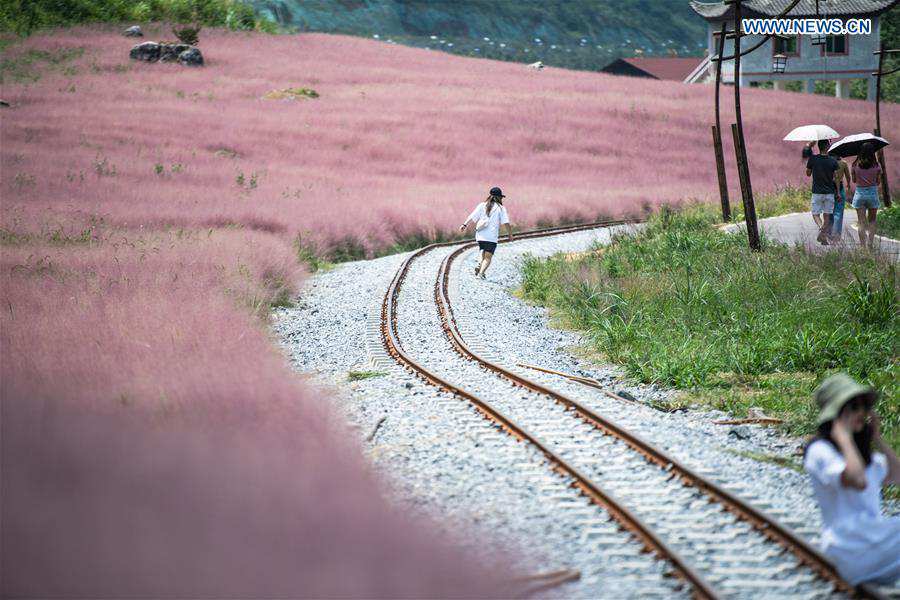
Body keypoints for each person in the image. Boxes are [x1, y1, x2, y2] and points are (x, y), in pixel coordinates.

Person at [804, 374, 900, 586]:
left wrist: (877, 439)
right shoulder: (820, 452)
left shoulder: (866, 458)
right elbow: (858, 480)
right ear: (836, 414)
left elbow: (898, 475)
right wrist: (844, 437)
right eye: (852, 407)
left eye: (864, 407)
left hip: (872, 543)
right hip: (849, 547)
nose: (861, 413)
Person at [459, 187, 513, 280]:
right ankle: (481, 273)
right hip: (491, 236)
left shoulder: (482, 205)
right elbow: (506, 222)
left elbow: (472, 216)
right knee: (488, 257)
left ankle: (479, 263)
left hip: (480, 235)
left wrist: (464, 224)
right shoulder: (501, 208)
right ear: (499, 197)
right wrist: (510, 234)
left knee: (482, 250)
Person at [806, 139, 841, 245]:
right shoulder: (833, 161)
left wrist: (812, 169)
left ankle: (821, 229)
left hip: (817, 192)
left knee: (815, 214)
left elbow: (808, 173)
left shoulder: (813, 159)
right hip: (829, 192)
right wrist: (838, 192)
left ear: (819, 146)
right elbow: (836, 178)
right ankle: (823, 234)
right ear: (827, 147)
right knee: (827, 216)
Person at [851, 142, 883, 251]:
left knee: (861, 222)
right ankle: (870, 243)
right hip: (872, 194)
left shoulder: (855, 165)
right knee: (872, 221)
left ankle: (863, 247)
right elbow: (878, 182)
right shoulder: (877, 165)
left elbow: (854, 180)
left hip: (860, 194)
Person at [832, 155, 852, 242]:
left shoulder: (830, 162)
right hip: (839, 186)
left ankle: (829, 233)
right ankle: (836, 235)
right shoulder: (843, 163)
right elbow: (848, 177)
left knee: (829, 212)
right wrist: (848, 184)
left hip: (829, 187)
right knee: (838, 212)